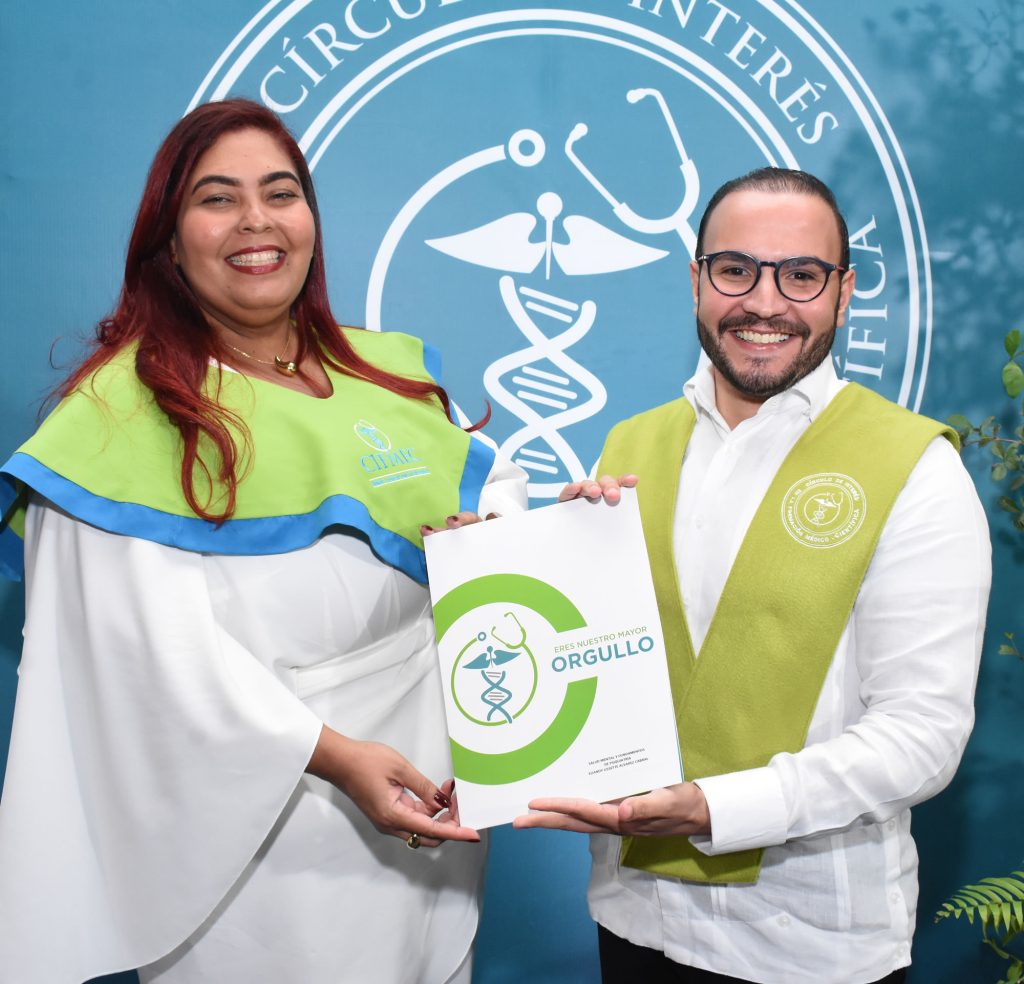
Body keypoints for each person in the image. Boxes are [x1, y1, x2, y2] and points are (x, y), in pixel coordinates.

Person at [0, 98, 526, 983]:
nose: (256, 221)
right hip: (260, 855)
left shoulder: (387, 375)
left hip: (433, 817)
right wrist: (335, 758)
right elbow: (151, 666)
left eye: (280, 194)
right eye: (217, 198)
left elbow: (496, 497)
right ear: (168, 242)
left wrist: (517, 541)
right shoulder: (116, 421)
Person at [515, 167, 991, 984]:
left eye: (801, 275)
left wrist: (718, 808)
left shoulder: (915, 469)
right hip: (634, 918)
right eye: (735, 269)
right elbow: (595, 672)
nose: (764, 303)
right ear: (696, 281)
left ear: (843, 293)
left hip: (807, 945)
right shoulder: (628, 448)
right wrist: (531, 570)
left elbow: (923, 735)